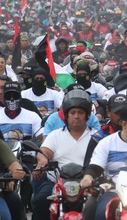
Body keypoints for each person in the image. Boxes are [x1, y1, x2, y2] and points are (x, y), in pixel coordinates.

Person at [32, 91, 99, 220]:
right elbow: (44, 152)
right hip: (58, 183)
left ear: (87, 115)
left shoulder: (97, 137)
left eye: (80, 112)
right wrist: (42, 163)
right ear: (66, 115)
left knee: (102, 206)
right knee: (41, 200)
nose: (76, 116)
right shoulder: (55, 135)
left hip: (88, 183)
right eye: (73, 113)